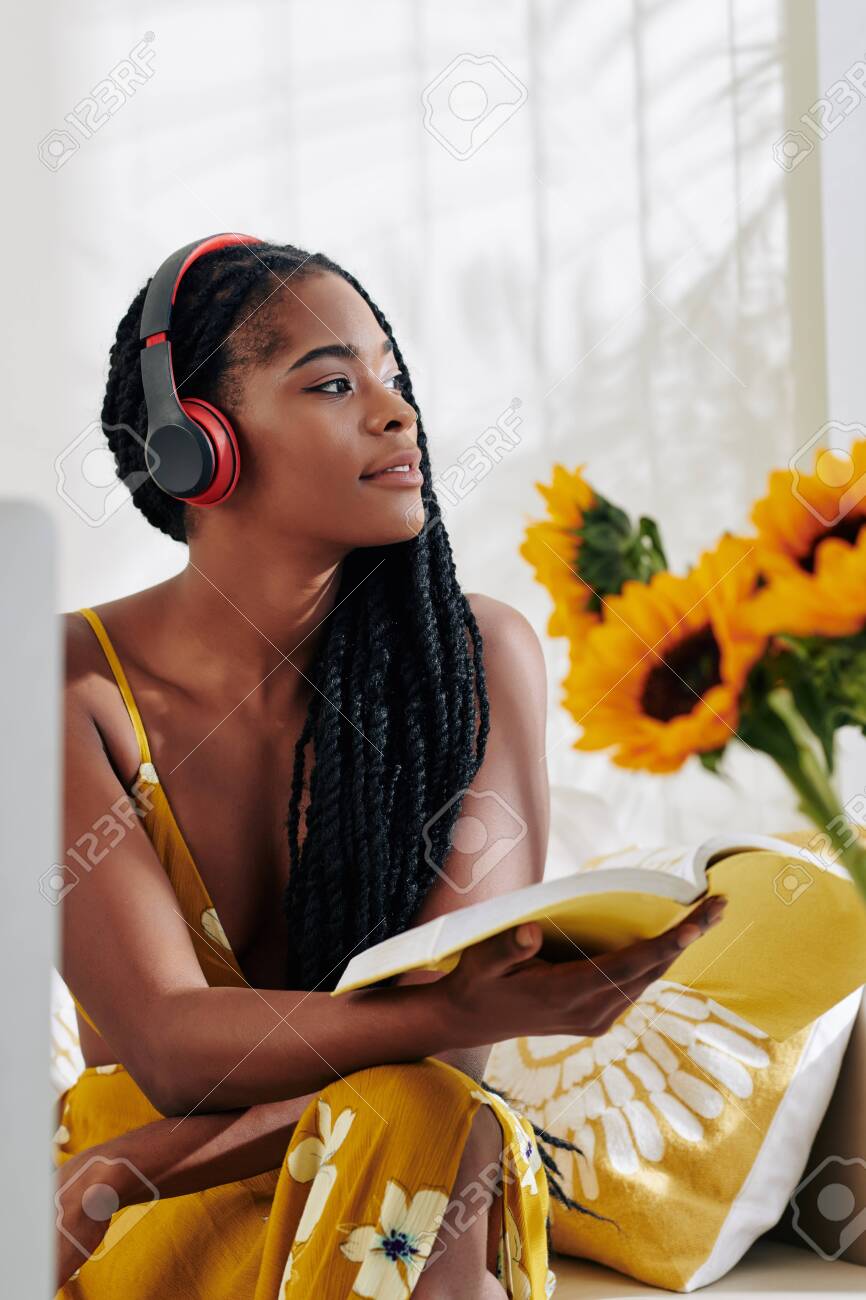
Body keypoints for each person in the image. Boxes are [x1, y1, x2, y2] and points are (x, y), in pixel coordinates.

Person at [54, 237, 727, 1298]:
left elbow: (445, 1047)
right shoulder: (59, 686)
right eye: (332, 382)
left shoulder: (473, 659)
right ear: (198, 447)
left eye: (392, 378)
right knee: (422, 1120)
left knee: (425, 1116)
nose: (395, 411)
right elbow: (172, 1048)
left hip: (337, 1163)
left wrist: (140, 1164)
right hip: (148, 1211)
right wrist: (136, 1162)